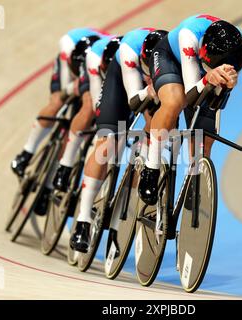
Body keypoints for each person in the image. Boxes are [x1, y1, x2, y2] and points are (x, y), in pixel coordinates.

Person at [70, 28, 168, 253]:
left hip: (153, 80)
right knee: (109, 143)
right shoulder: (128, 52)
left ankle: (125, 213)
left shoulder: (169, 61)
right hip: (122, 77)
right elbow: (134, 99)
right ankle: (83, 221)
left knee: (155, 129)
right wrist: (147, 92)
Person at [137, 14, 242, 206]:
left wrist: (227, 86)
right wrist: (207, 79)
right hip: (170, 58)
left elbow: (217, 102)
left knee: (204, 134)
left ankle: (194, 179)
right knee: (174, 101)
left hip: (203, 68)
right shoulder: (188, 35)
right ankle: (151, 167)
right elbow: (190, 96)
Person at [10, 27, 108, 178]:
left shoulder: (105, 57)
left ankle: (50, 182)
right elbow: (65, 87)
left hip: (93, 72)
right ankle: (26, 154)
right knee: (57, 102)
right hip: (72, 68)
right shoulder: (68, 46)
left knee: (76, 128)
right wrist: (70, 89)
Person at [52, 35, 121, 192]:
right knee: (90, 105)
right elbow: (99, 104)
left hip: (116, 73)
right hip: (94, 65)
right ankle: (65, 166)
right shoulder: (94, 59)